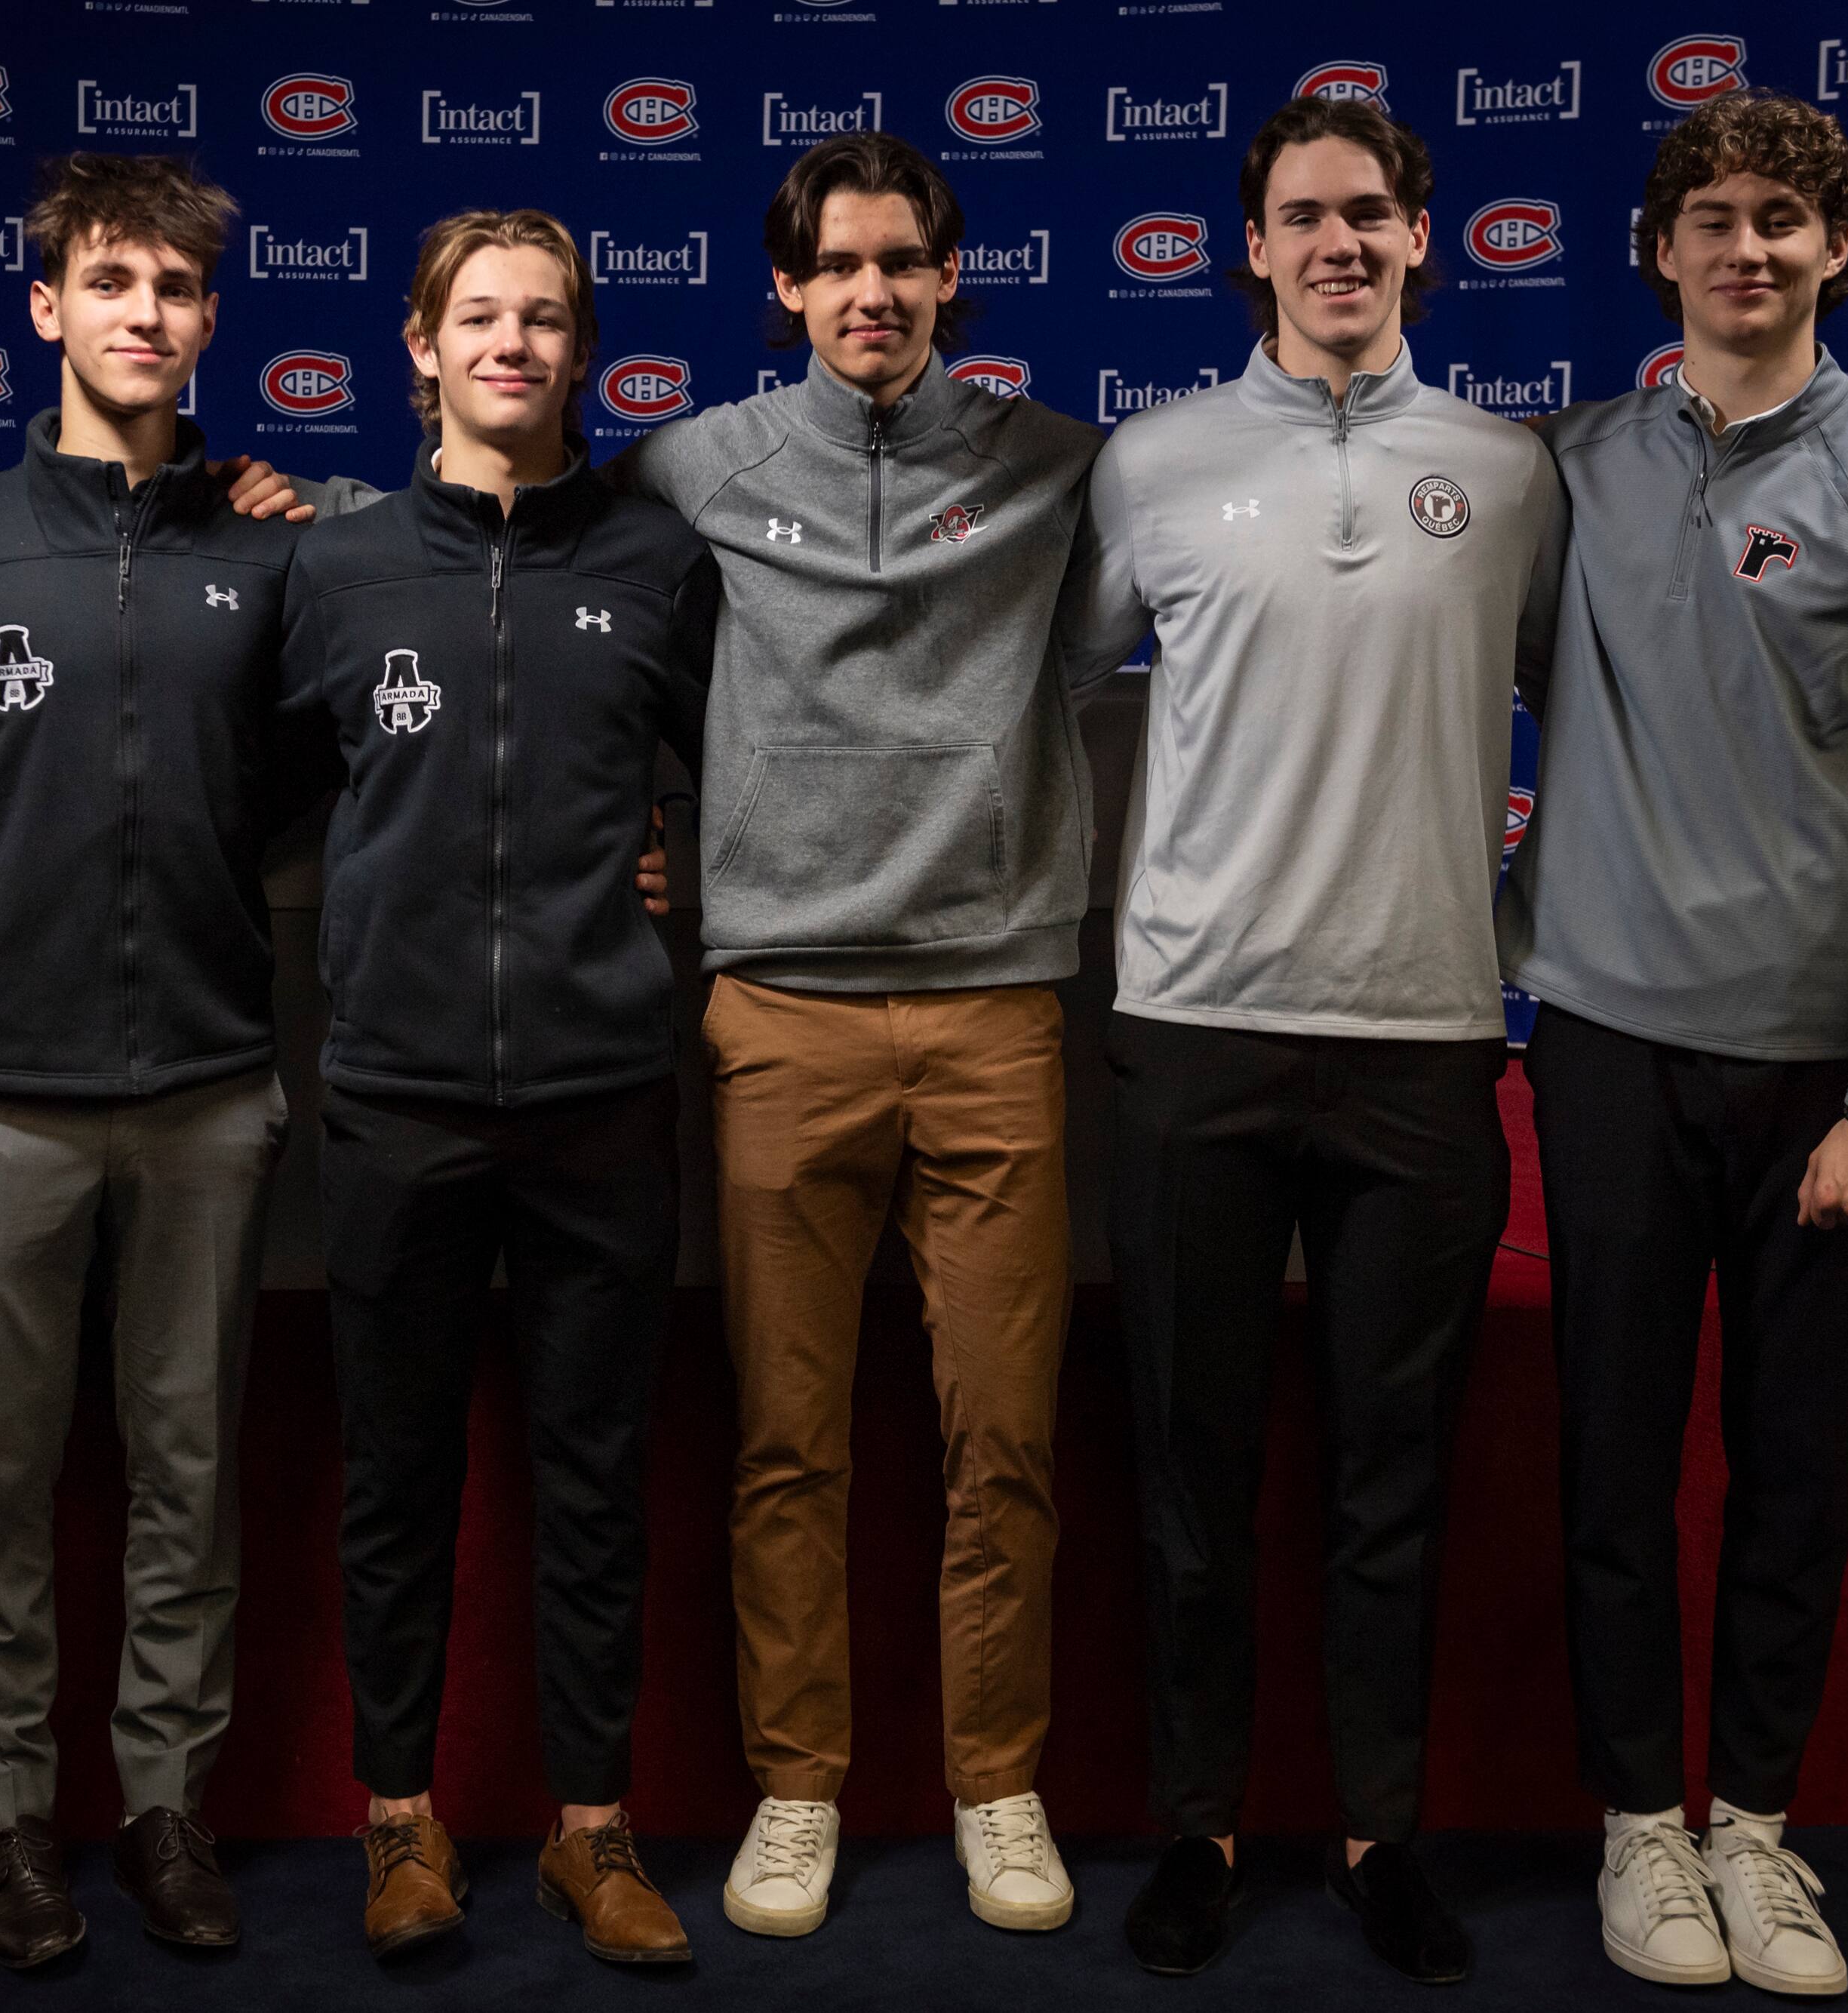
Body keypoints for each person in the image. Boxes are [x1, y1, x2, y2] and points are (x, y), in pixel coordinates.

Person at [1501, 90, 1848, 1999]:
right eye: (1709, 216)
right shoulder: (1568, 469)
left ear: (1834, 251)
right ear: (1657, 249)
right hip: (1611, 1038)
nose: (1744, 249)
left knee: (1792, 1472)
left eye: (1781, 223)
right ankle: (1639, 1823)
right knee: (1614, 1461)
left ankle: (1758, 1830)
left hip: (1820, 1077)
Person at [1060, 95, 1567, 1984]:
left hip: (1424, 1044)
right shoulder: (1152, 463)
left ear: (1418, 236)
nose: (1337, 242)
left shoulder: (1510, 472)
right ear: (1248, 245)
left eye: (1368, 213)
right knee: (1189, 1477)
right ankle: (1194, 1826)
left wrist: (1515, 939)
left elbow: (1587, 723)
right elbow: (1051, 696)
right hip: (1191, 1030)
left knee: (1389, 1472)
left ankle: (1378, 1833)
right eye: (1301, 216)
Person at [607, 131, 1105, 1938]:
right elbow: (543, 592)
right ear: (787, 290)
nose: (871, 294)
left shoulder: (1059, 465)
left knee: (1006, 1436)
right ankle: (795, 1786)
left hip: (992, 1003)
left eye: (903, 261)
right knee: (784, 1439)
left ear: (949, 277)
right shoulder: (689, 464)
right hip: (782, 1011)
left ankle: (996, 1783)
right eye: (837, 267)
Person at [0, 153, 361, 1970]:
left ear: (208, 317)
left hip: (206, 1095)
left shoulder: (269, 547)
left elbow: (306, 778)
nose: (141, 314)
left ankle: (166, 1807)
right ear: (45, 307)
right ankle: (9, 1826)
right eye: (107, 282)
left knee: (188, 1472)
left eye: (172, 287)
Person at [278, 208, 718, 1968]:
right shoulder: (336, 569)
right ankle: (400, 1824)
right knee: (395, 1475)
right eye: (479, 317)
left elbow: (743, 769)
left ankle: (590, 1830)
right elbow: (251, 796)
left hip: (605, 1087)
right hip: (392, 1092)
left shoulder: (659, 562)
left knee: (593, 1470)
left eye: (542, 320)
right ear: (420, 343)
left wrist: (679, 842)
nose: (511, 345)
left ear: (578, 350)